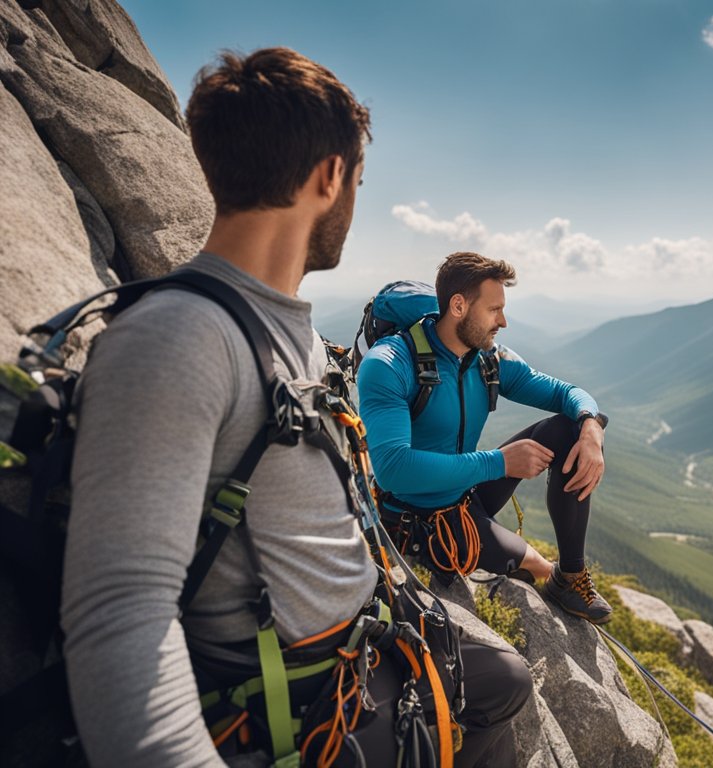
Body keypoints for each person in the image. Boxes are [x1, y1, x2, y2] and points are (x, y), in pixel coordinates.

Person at [60, 48, 530, 767]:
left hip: (359, 642)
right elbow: (118, 611)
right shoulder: (179, 338)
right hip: (299, 699)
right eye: (360, 180)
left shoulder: (290, 330)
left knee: (504, 682)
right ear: (330, 176)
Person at [357, 252, 614, 623]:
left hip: (465, 495)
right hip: (418, 521)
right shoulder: (391, 364)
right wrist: (501, 462)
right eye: (494, 310)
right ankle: (547, 572)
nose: (503, 321)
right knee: (537, 566)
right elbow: (394, 470)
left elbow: (564, 393)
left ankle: (570, 575)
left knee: (567, 427)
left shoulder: (486, 359)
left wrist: (591, 425)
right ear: (458, 306)